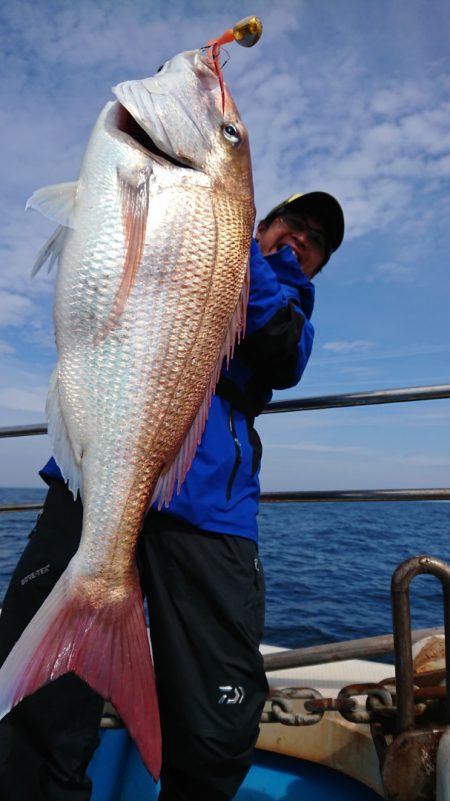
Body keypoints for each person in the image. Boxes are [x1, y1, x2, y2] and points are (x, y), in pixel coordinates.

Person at [0, 190, 344, 801]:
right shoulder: (178, 225)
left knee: (218, 726)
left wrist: (230, 243)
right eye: (292, 223)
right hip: (92, 477)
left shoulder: (287, 302)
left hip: (207, 504)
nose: (299, 239)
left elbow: (282, 352)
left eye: (315, 241)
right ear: (263, 222)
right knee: (39, 707)